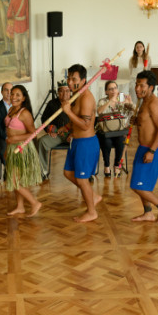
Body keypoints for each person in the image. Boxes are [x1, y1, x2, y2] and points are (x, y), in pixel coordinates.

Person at [61, 64, 102, 223]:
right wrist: (67, 127)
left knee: (82, 179)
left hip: (86, 144)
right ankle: (93, 196)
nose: (70, 82)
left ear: (83, 80)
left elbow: (85, 125)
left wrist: (68, 111)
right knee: (68, 173)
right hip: (77, 142)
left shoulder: (86, 97)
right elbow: (76, 120)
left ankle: (92, 212)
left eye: (74, 79)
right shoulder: (77, 95)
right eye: (69, 78)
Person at [4, 84, 42, 217]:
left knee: (14, 180)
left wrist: (15, 138)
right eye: (12, 94)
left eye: (17, 95)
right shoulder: (11, 110)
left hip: (22, 148)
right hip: (12, 147)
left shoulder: (25, 113)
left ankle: (34, 202)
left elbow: (34, 133)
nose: (13, 97)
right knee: (17, 178)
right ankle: (20, 206)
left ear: (24, 98)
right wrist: (8, 146)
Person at [95, 81, 134, 178]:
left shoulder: (121, 100)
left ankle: (117, 164)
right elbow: (99, 112)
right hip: (105, 131)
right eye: (110, 89)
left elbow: (133, 113)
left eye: (115, 88)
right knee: (106, 142)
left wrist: (130, 103)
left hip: (118, 131)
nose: (113, 90)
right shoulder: (102, 101)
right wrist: (110, 101)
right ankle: (106, 165)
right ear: (106, 91)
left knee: (121, 141)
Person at [35, 82, 71, 174]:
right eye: (62, 91)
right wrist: (50, 130)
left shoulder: (75, 103)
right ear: (58, 92)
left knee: (82, 143)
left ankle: (84, 172)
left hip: (72, 135)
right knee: (42, 142)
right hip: (57, 134)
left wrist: (73, 134)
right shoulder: (52, 104)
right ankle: (43, 171)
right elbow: (44, 119)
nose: (65, 94)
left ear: (70, 92)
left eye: (67, 91)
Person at [6, 0, 28, 79]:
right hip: (24, 25)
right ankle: (28, 71)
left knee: (17, 49)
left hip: (16, 26)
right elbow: (27, 14)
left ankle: (19, 72)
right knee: (26, 49)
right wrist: (27, 27)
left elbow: (9, 14)